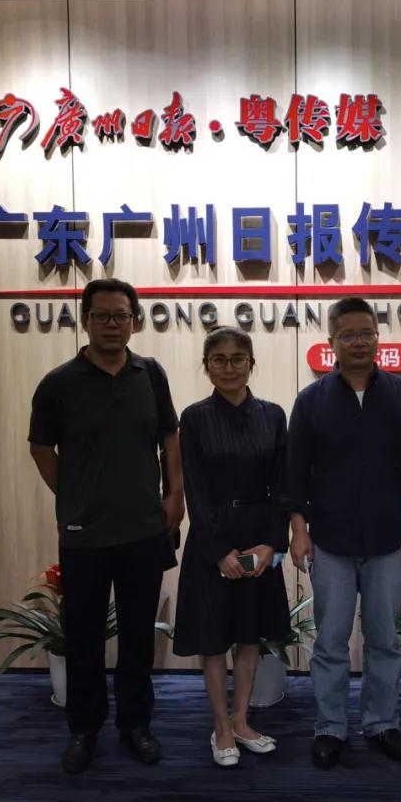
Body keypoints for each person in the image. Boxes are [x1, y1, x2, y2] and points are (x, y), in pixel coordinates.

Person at [28, 278, 184, 774]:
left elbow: (170, 437)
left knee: (138, 636)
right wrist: (73, 495)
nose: (112, 324)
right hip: (85, 535)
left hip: (143, 529)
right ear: (86, 320)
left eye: (121, 315)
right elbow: (40, 448)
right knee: (84, 638)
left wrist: (175, 494)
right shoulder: (59, 383)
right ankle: (84, 729)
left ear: (134, 321)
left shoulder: (150, 374)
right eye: (102, 316)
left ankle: (135, 724)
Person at [284, 297, 401, 769]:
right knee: (330, 641)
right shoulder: (311, 400)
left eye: (366, 333)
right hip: (329, 539)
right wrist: (298, 530)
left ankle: (382, 722)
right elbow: (295, 473)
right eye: (348, 335)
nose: (358, 342)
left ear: (378, 337)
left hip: (388, 539)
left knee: (385, 640)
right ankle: (330, 726)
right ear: (332, 341)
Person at [173, 326, 291, 768]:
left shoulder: (273, 415)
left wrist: (272, 544)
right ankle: (220, 725)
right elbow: (195, 490)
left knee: (248, 634)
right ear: (207, 367)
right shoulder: (195, 417)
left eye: (237, 358)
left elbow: (283, 484)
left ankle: (241, 721)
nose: (228, 367)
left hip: (259, 535)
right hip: (213, 536)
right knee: (213, 638)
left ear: (251, 364)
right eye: (218, 360)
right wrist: (219, 550)